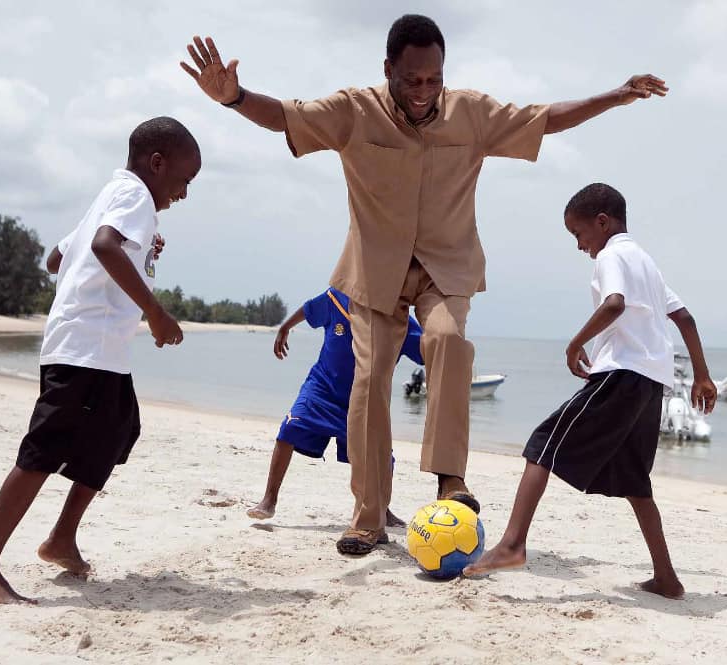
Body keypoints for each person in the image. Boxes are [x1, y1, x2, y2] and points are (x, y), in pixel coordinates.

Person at [181, 15, 668, 554]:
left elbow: (545, 119)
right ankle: (367, 517)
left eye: (433, 79)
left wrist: (615, 96)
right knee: (368, 385)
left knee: (447, 341)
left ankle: (449, 477)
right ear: (388, 69)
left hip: (446, 266)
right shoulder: (353, 110)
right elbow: (284, 117)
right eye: (411, 79)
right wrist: (234, 98)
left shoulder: (472, 113)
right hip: (373, 271)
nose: (423, 91)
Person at [0, 117, 200, 604]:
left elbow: (55, 259)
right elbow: (104, 246)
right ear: (157, 163)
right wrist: (155, 313)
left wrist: (140, 248)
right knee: (44, 449)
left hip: (101, 353)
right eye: (183, 181)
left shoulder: (113, 195)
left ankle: (61, 538)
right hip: (84, 349)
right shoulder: (136, 198)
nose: (183, 194)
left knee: (118, 429)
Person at [464, 183, 717, 599]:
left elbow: (614, 303)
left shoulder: (612, 255)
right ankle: (667, 579)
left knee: (542, 444)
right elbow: (684, 317)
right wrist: (703, 375)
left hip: (620, 374)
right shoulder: (646, 262)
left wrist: (574, 342)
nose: (580, 245)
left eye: (579, 234)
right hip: (653, 383)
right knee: (636, 482)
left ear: (602, 222)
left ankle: (511, 545)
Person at [247, 287, 424, 527]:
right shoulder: (337, 298)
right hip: (322, 387)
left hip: (363, 399)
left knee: (381, 458)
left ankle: (382, 508)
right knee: (289, 430)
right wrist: (285, 327)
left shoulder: (397, 317)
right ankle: (269, 500)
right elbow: (309, 309)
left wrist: (443, 335)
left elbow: (426, 352)